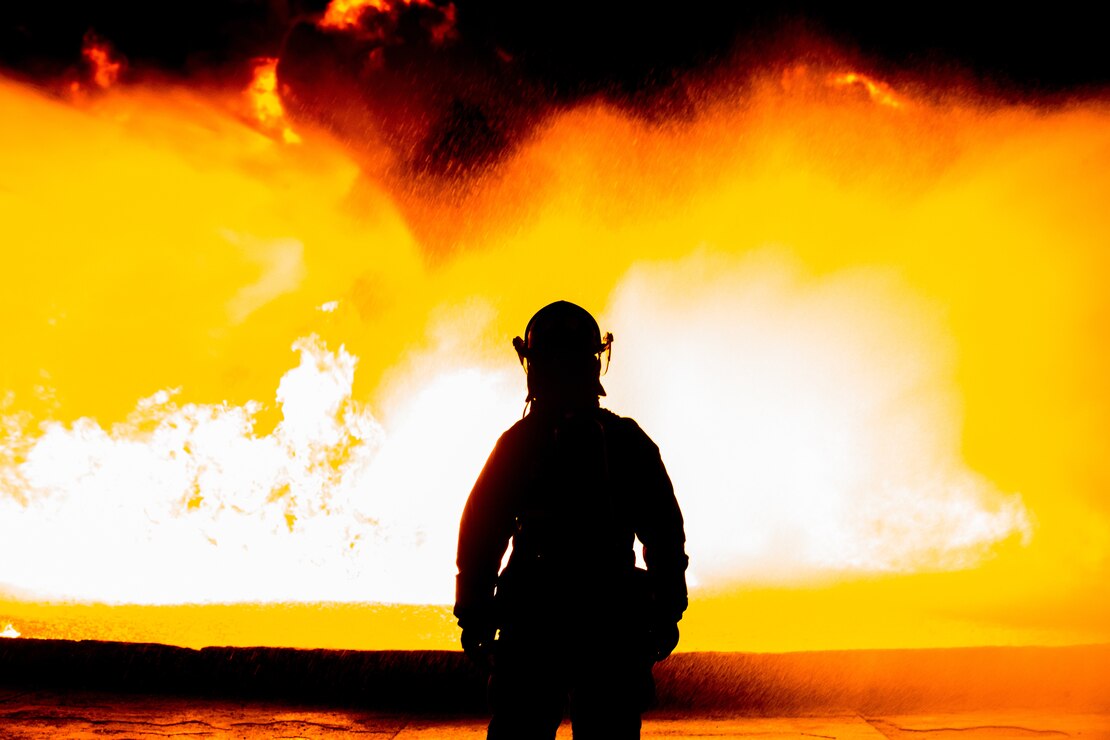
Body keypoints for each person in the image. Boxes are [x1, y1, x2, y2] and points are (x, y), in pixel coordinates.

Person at [455, 300, 689, 740]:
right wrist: (668, 608)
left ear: (531, 364)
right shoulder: (628, 442)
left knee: (519, 733)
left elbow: (481, 534)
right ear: (596, 361)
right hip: (611, 616)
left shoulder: (517, 445)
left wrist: (474, 612)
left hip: (533, 617)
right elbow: (664, 536)